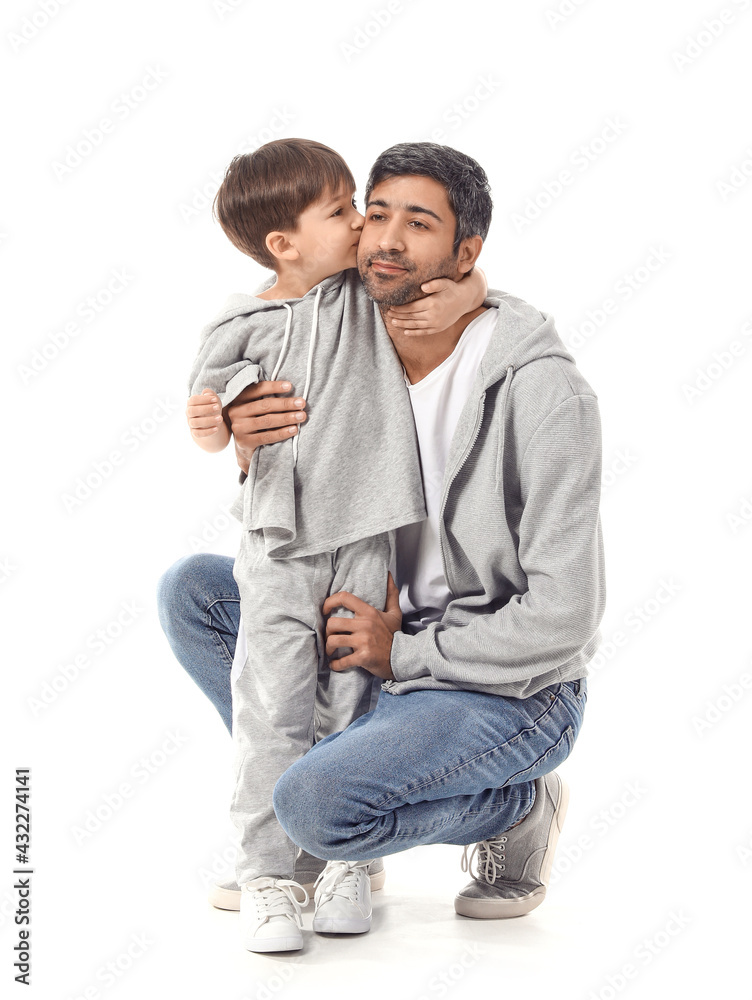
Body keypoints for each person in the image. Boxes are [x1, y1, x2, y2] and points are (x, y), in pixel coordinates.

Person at [158, 140, 605, 951]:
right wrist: (240, 425)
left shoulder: (539, 393)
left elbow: (565, 618)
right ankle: (316, 844)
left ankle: (516, 804)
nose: (385, 237)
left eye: (420, 223)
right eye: (375, 211)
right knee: (196, 592)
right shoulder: (357, 338)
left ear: (466, 255)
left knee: (318, 805)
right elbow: (270, 340)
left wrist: (401, 652)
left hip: (497, 685)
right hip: (361, 622)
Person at [180, 138, 486, 953]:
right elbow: (206, 413)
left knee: (354, 692)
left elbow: (460, 284)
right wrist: (217, 424)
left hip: (369, 528)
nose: (363, 226)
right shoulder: (241, 324)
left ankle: (346, 857)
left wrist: (470, 289)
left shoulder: (364, 295)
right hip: (279, 542)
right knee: (271, 697)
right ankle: (269, 875)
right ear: (285, 243)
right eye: (344, 210)